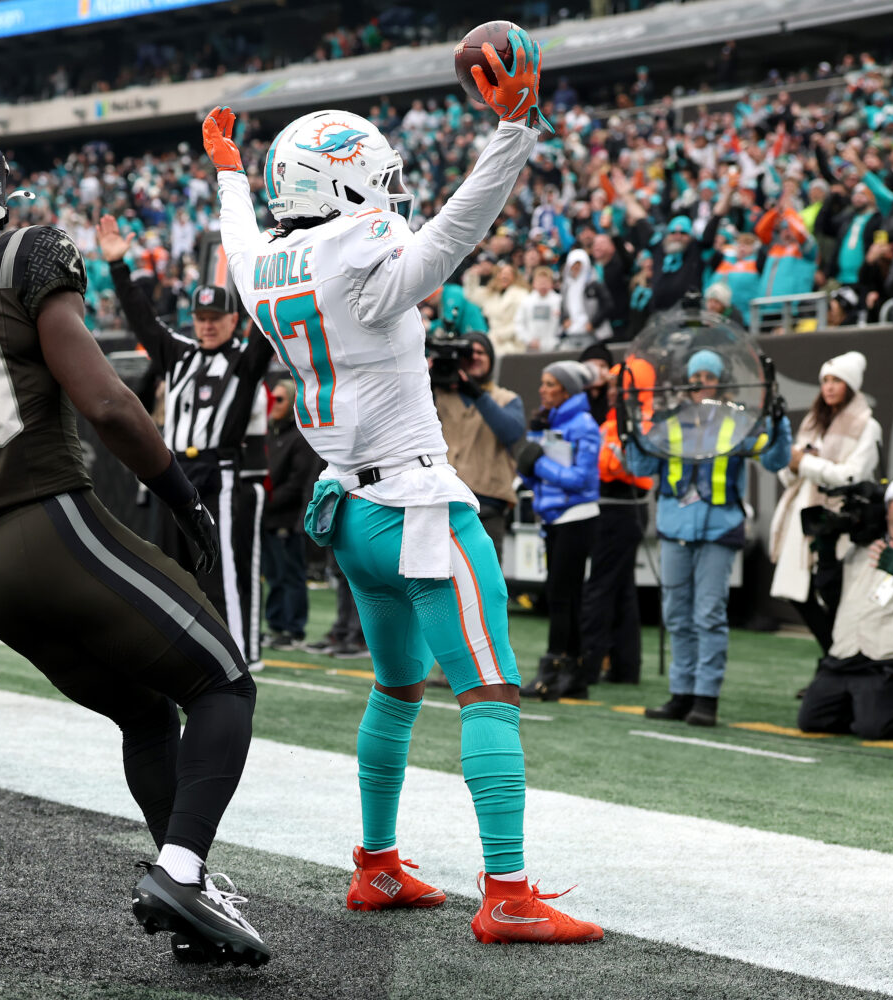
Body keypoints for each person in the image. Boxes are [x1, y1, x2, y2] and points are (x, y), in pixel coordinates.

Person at [207, 25, 604, 946]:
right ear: (345, 183)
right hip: (417, 506)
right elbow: (460, 227)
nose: (390, 191)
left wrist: (229, 171)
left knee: (394, 691)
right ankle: (506, 892)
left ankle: (378, 866)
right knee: (491, 690)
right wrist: (515, 129)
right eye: (376, 176)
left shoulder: (263, 266)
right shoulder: (363, 253)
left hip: (347, 510)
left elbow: (236, 230)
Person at [0, 110, 267, 966]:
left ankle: (194, 898)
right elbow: (109, 402)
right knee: (223, 681)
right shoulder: (22, 254)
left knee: (145, 714)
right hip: (54, 523)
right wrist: (184, 501)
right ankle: (181, 872)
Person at [100, 215, 270, 670]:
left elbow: (267, 327)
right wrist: (119, 266)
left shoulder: (244, 359)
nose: (208, 326)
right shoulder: (179, 354)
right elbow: (142, 320)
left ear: (234, 319)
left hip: (222, 471)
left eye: (217, 318)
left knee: (227, 566)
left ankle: (242, 653)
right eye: (201, 318)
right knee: (171, 565)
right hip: (175, 471)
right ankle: (180, 645)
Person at [626, 348, 792, 726]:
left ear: (720, 381)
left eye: (708, 376)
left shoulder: (738, 420)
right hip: (674, 528)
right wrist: (629, 433)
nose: (701, 382)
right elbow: (640, 465)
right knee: (675, 614)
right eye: (695, 375)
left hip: (718, 529)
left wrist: (779, 424)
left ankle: (706, 698)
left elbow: (775, 460)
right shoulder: (669, 421)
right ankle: (681, 694)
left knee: (709, 614)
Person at [798, 475, 893, 739]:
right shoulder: (861, 548)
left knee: (876, 728)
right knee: (811, 720)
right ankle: (865, 706)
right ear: (887, 507)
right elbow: (833, 599)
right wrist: (825, 553)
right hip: (847, 657)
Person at [768, 352, 881, 651]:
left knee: (832, 596)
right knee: (798, 594)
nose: (829, 387)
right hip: (801, 519)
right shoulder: (813, 421)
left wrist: (804, 463)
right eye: (825, 381)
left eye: (837, 381)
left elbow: (852, 475)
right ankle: (833, 658)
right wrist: (792, 465)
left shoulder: (866, 425)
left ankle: (836, 661)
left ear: (851, 385)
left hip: (837, 521)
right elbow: (788, 473)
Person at [515, 360, 600, 700]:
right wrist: (532, 448)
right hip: (555, 517)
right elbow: (530, 474)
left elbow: (581, 478)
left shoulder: (584, 425)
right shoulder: (551, 421)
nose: (542, 389)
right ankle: (574, 675)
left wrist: (539, 461)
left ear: (567, 390)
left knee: (561, 596)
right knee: (566, 596)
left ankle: (552, 672)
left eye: (550, 384)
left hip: (577, 516)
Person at [580, 352, 654, 687]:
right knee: (621, 589)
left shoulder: (639, 421)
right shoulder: (617, 420)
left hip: (621, 508)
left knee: (601, 588)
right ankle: (625, 668)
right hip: (620, 507)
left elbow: (621, 467)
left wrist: (607, 460)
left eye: (617, 384)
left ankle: (589, 665)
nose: (610, 390)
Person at [434, 331, 525, 559]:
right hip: (443, 502)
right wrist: (426, 374)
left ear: (491, 359)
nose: (474, 357)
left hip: (487, 504)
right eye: (468, 352)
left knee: (487, 583)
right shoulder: (438, 394)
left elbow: (511, 432)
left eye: (480, 352)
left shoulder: (506, 398)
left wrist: (477, 394)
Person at [261, 380, 321, 650]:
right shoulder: (269, 435)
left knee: (291, 574)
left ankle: (293, 628)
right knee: (273, 575)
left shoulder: (300, 437)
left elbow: (297, 483)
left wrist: (265, 499)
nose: (275, 404)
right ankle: (276, 625)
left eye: (281, 399)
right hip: (268, 517)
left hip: (288, 518)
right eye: (272, 399)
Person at [513, 265, 561, 353]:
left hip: (553, 348)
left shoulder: (558, 301)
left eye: (546, 282)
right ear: (534, 283)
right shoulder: (526, 301)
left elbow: (562, 325)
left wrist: (553, 342)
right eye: (540, 282)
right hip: (531, 347)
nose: (543, 285)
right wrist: (529, 340)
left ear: (551, 283)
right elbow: (518, 323)